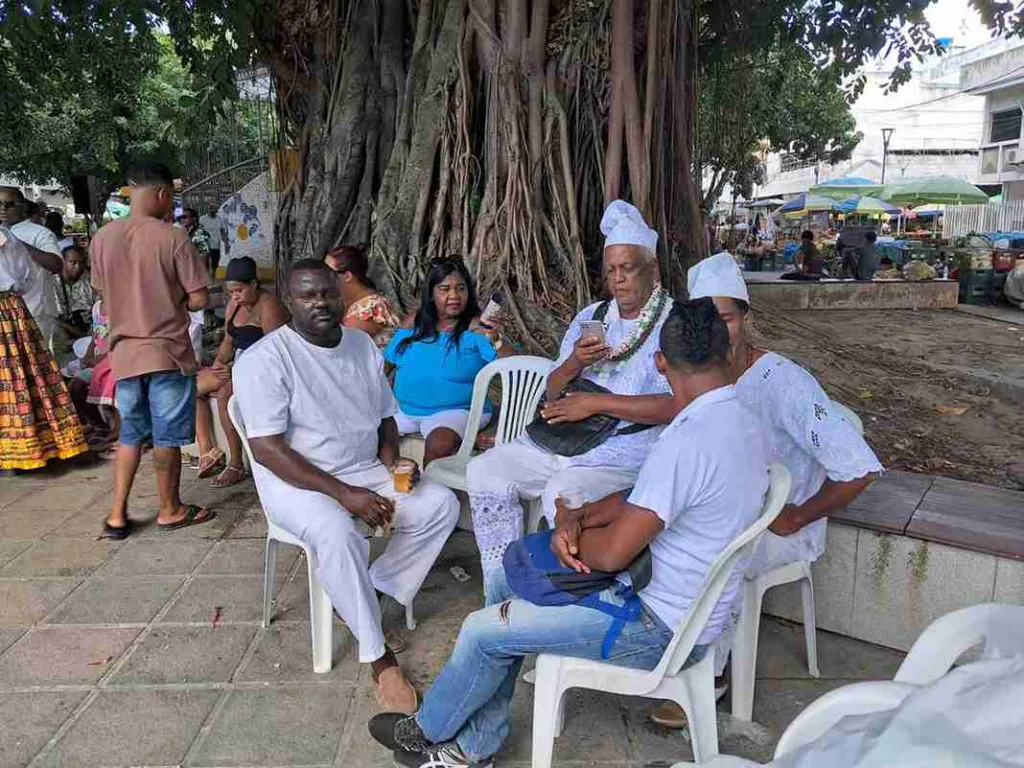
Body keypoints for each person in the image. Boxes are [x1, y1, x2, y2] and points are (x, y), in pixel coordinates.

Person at [366, 298, 771, 768]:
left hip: (655, 623)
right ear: (727, 351)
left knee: (482, 629)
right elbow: (640, 500)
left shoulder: (687, 440)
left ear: (660, 363)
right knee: (504, 580)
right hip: (666, 594)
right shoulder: (738, 416)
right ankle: (475, 745)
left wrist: (567, 534)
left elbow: (613, 555)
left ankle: (428, 733)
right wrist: (576, 518)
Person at [649, 251, 883, 729]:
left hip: (781, 525)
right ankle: (661, 652)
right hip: (729, 509)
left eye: (728, 318)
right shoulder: (696, 378)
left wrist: (798, 514)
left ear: (747, 319)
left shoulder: (782, 381)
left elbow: (860, 466)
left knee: (718, 551)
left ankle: (705, 674)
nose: (720, 331)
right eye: (708, 320)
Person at [233, 259, 460, 714]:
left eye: (326, 293)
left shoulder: (360, 345)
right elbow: (267, 451)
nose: (319, 303)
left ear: (342, 293)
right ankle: (379, 657)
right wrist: (344, 495)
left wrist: (393, 462)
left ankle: (368, 590)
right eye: (306, 296)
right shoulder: (266, 359)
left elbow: (385, 418)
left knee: (441, 504)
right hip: (295, 482)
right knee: (337, 533)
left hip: (362, 469)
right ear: (289, 301)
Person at [466, 200, 675, 605]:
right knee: (485, 471)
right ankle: (503, 594)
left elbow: (679, 404)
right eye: (611, 270)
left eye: (628, 268)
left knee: (565, 495)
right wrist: (576, 361)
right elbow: (552, 389)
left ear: (652, 268)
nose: (618, 279)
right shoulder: (593, 315)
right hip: (564, 439)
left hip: (621, 453)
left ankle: (559, 605)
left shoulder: (673, 322)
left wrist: (597, 405)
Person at [90, 161, 214, 539]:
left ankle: (116, 515)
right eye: (172, 198)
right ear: (162, 194)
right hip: (167, 354)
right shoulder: (172, 237)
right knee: (166, 437)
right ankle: (170, 509)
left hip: (123, 356)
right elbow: (197, 299)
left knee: (130, 435)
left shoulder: (102, 238)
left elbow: (102, 295)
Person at [384, 257, 507, 466]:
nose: (454, 296)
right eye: (444, 289)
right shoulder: (415, 322)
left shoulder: (476, 327)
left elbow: (515, 364)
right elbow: (387, 362)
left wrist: (495, 340)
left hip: (456, 411)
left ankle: (433, 495)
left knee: (439, 443)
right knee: (367, 434)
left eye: (461, 288)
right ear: (431, 294)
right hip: (405, 410)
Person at [195, 256, 289, 487]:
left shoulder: (269, 306)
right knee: (190, 386)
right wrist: (220, 363)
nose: (235, 295)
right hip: (238, 362)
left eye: (239, 290)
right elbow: (229, 340)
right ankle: (208, 451)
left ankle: (235, 463)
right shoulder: (234, 306)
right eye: (231, 291)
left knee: (226, 394)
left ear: (254, 284)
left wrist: (238, 370)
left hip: (262, 368)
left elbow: (275, 350)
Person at [0, 226, 88, 471]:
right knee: (22, 379)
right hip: (10, 312)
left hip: (8, 314)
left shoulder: (6, 236)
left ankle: (19, 454)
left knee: (17, 379)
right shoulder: (7, 235)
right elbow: (25, 277)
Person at [0, 187, 64, 358]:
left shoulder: (39, 233)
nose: (3, 209)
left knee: (37, 363)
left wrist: (17, 244)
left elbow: (56, 264)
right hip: (6, 313)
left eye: (10, 204)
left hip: (36, 310)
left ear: (22, 206)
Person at [324, 245, 400, 349]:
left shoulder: (371, 308)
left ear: (347, 276)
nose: (322, 277)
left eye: (328, 273)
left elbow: (341, 345)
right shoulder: (350, 303)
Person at [55, 244, 96, 339]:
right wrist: (80, 334)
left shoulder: (90, 279)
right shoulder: (52, 282)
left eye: (81, 263)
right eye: (73, 262)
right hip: (64, 330)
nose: (78, 267)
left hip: (89, 329)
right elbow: (55, 319)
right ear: (63, 261)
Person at [199, 203, 227, 277]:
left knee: (215, 262)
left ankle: (213, 276)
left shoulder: (219, 219)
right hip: (205, 244)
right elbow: (199, 231)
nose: (212, 210)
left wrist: (226, 242)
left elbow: (222, 231)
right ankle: (206, 277)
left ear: (216, 210)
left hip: (216, 244)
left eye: (213, 208)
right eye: (210, 208)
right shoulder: (202, 219)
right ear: (207, 209)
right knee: (205, 262)